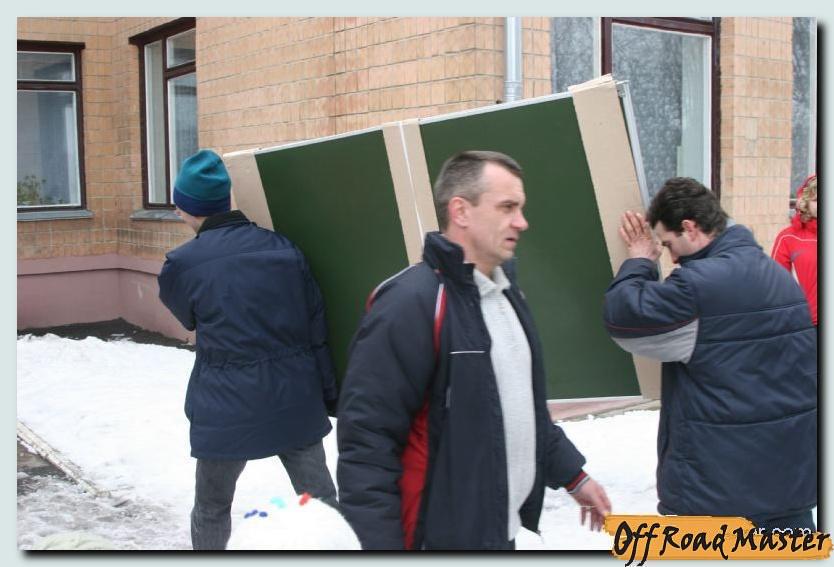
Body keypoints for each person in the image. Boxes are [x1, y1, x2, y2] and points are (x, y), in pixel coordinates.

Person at [336, 150, 611, 550]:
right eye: (507, 207)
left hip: (498, 534)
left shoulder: (506, 294)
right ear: (461, 211)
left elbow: (521, 408)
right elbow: (367, 444)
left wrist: (573, 476)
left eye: (520, 208)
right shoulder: (410, 303)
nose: (522, 222)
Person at [603, 177, 817, 532]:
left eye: (668, 244)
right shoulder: (778, 278)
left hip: (720, 498)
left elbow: (625, 320)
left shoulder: (697, 286)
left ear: (690, 228)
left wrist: (639, 262)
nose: (671, 257)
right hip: (790, 491)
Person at [157, 149, 339, 550]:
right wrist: (327, 395)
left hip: (226, 407)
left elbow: (186, 317)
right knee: (322, 502)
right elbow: (317, 329)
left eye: (178, 204)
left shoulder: (181, 265)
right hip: (294, 400)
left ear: (187, 207)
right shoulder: (285, 249)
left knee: (212, 506)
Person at [772, 174, 818, 331]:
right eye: (816, 200)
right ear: (805, 202)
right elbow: (776, 285)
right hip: (804, 325)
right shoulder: (788, 238)